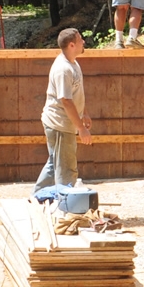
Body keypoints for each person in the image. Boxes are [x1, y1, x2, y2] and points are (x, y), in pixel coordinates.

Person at [35, 27, 93, 192]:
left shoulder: (73, 63)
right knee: (66, 168)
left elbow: (75, 93)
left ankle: (37, 198)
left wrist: (85, 113)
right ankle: (66, 206)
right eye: (80, 39)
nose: (83, 42)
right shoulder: (63, 69)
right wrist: (81, 129)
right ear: (71, 45)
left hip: (63, 123)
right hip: (59, 124)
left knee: (55, 163)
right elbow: (66, 101)